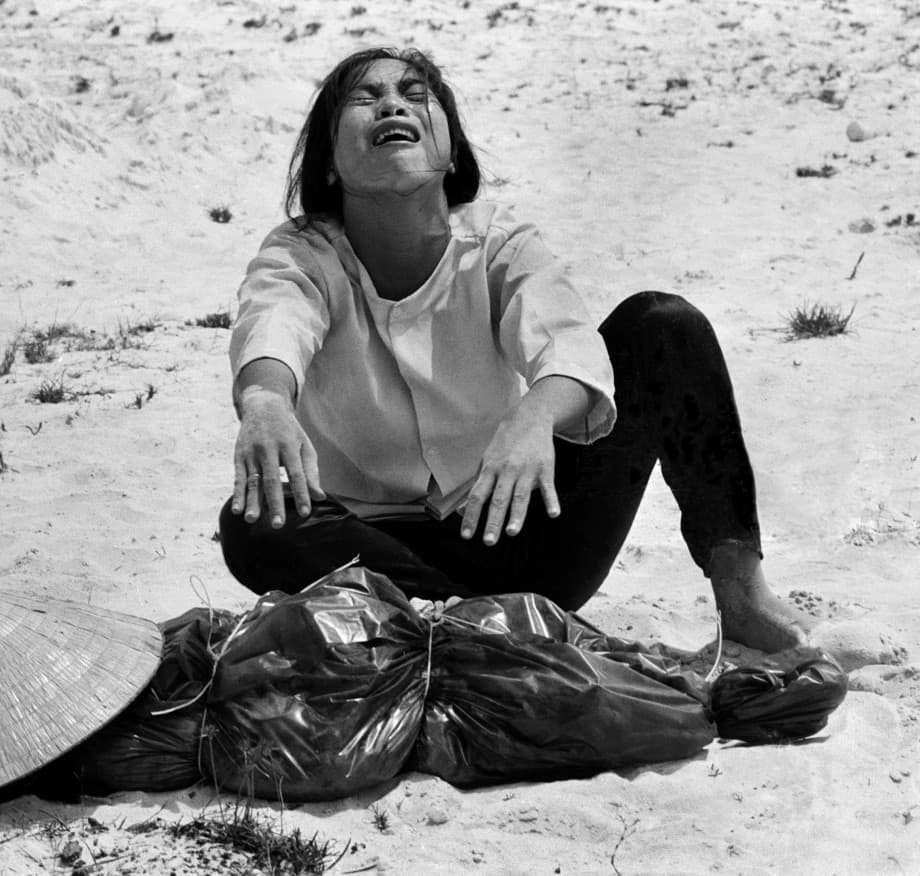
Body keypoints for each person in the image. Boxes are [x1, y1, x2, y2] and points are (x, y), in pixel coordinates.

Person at [217, 46, 816, 653]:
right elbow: (275, 318)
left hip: (516, 532)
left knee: (664, 327)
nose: (393, 104)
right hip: (367, 553)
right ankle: (445, 621)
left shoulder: (499, 243)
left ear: (450, 154)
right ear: (329, 164)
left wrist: (534, 416)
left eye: (415, 94)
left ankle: (742, 593)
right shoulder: (301, 253)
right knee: (252, 526)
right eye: (364, 99)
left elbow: (567, 341)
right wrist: (266, 401)